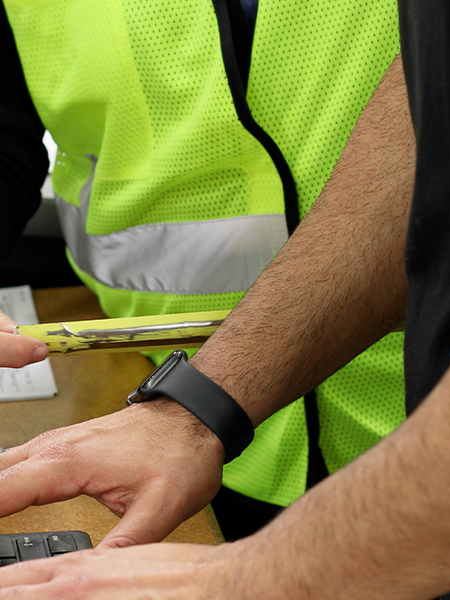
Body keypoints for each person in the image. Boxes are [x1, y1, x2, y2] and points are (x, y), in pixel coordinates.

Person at [3, 2, 450, 600]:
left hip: (443, 462)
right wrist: (199, 408)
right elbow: (440, 119)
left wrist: (264, 572)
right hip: (228, 457)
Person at [0, 0, 406, 540]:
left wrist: (199, 405)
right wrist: (188, 408)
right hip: (161, 440)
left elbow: (444, 126)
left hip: (436, 416)